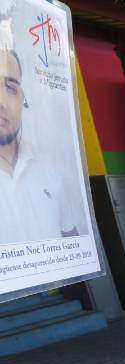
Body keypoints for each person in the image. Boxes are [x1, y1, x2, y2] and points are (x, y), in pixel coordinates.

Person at [0, 49, 78, 244]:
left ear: (22, 99)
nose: (1, 102)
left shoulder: (48, 168)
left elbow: (71, 239)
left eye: (10, 88)